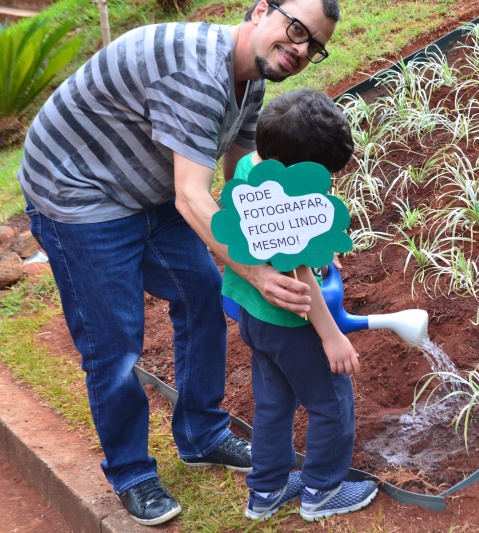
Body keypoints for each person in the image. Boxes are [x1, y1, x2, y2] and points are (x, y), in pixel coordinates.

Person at [16, 0, 341, 526]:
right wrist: (253, 270)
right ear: (261, 11)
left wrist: (286, 239)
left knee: (201, 296)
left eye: (315, 46)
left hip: (149, 190)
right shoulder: (197, 72)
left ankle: (201, 433)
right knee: (114, 342)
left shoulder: (252, 79)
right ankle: (132, 473)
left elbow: (242, 178)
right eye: (297, 30)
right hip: (77, 193)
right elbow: (194, 200)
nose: (301, 50)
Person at [221, 89, 378, 522]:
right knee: (332, 403)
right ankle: (322, 490)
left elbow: (281, 244)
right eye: (321, 172)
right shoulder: (285, 200)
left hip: (255, 317)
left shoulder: (251, 168)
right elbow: (302, 281)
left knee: (273, 404)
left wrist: (318, 245)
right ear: (298, 171)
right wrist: (332, 339)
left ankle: (266, 491)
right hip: (295, 327)